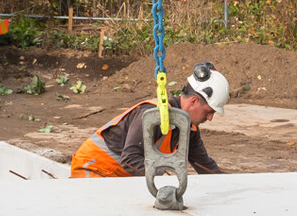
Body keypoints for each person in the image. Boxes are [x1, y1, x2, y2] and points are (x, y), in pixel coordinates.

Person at [70, 63, 231, 178]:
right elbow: (130, 158)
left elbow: (206, 167)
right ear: (194, 101)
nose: (210, 118)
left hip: (118, 177)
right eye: (209, 112)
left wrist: (228, 186)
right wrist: (163, 179)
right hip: (93, 169)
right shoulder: (152, 113)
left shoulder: (190, 129)